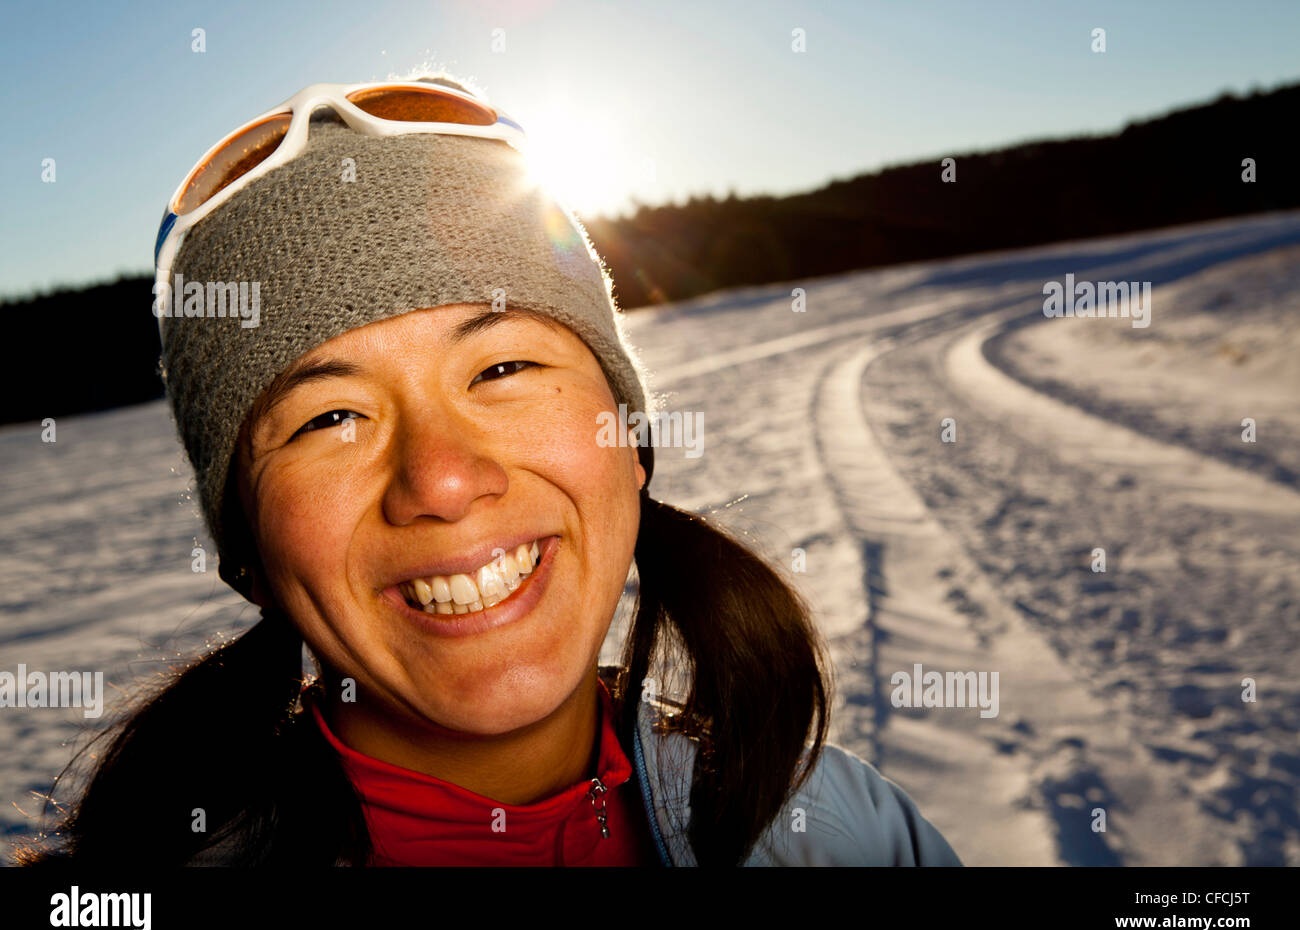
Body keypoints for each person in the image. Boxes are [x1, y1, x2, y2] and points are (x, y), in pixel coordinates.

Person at [21, 74, 961, 867]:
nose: (441, 480)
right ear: (251, 555)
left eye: (503, 368)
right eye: (331, 417)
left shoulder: (844, 831)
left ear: (627, 440)